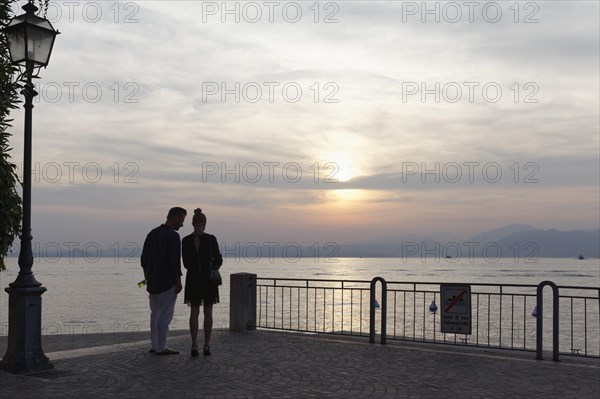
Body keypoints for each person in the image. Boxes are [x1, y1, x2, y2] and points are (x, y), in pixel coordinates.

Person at [140, 206, 187, 355]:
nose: (182, 224)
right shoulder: (173, 236)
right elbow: (174, 261)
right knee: (165, 315)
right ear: (174, 217)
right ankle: (161, 346)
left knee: (155, 313)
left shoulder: (152, 233)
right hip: (167, 282)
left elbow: (143, 259)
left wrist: (147, 276)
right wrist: (178, 281)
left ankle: (155, 344)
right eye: (181, 220)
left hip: (152, 282)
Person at [182, 208, 223, 357]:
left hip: (193, 279)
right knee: (208, 312)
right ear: (204, 223)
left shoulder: (185, 240)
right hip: (208, 280)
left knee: (194, 312)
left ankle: (194, 345)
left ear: (192, 223)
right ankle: (206, 345)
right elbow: (218, 259)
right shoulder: (211, 239)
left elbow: (186, 264)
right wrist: (211, 266)